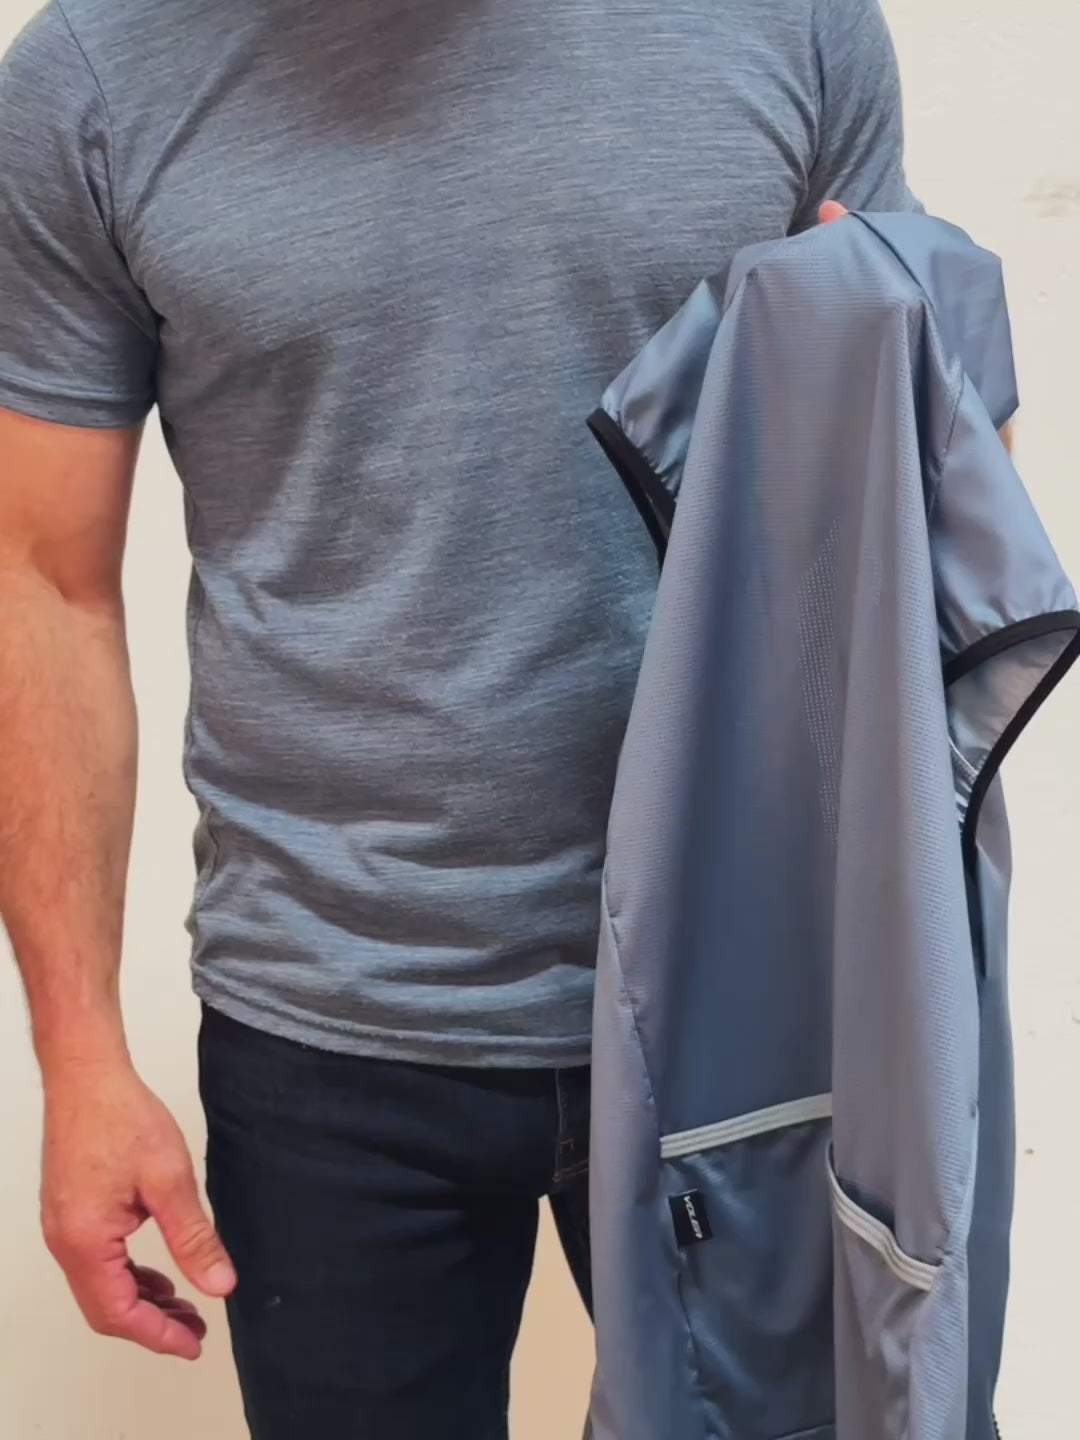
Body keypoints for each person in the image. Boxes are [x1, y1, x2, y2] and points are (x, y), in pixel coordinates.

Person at [0, 0, 919, 1434]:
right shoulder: (95, 80)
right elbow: (45, 585)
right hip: (326, 1026)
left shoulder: (788, 25)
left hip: (739, 998)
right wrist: (79, 1059)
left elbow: (913, 489)